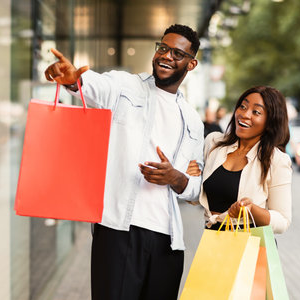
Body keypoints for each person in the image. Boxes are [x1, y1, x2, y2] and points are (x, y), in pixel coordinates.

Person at [44, 24, 204, 300]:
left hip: (168, 241)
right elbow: (93, 85)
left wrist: (175, 178)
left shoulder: (193, 121)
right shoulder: (125, 87)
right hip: (118, 229)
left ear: (191, 64)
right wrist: (73, 80)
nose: (166, 56)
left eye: (177, 53)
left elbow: (194, 187)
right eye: (162, 48)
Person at [187, 86, 292, 233]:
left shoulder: (276, 160)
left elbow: (283, 221)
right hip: (212, 243)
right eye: (243, 106)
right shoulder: (214, 143)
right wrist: (190, 178)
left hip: (250, 246)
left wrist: (251, 210)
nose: (245, 114)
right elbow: (198, 197)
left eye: (256, 112)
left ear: (270, 122)